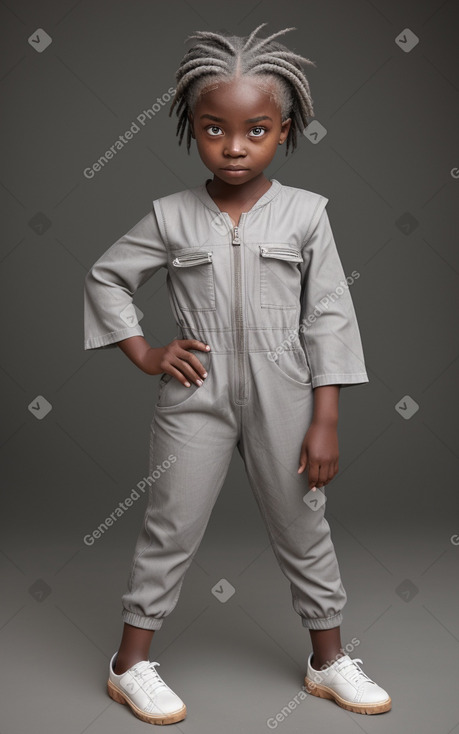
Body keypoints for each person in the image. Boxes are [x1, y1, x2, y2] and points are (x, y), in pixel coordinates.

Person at [84, 23, 391, 726]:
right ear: (193, 131)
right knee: (171, 524)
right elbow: (106, 278)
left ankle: (327, 662)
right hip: (195, 392)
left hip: (287, 388)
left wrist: (325, 417)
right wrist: (145, 352)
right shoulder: (170, 216)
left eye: (254, 130)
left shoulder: (308, 215)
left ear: (282, 131)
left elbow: (329, 317)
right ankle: (129, 666)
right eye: (214, 128)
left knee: (303, 524)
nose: (233, 145)